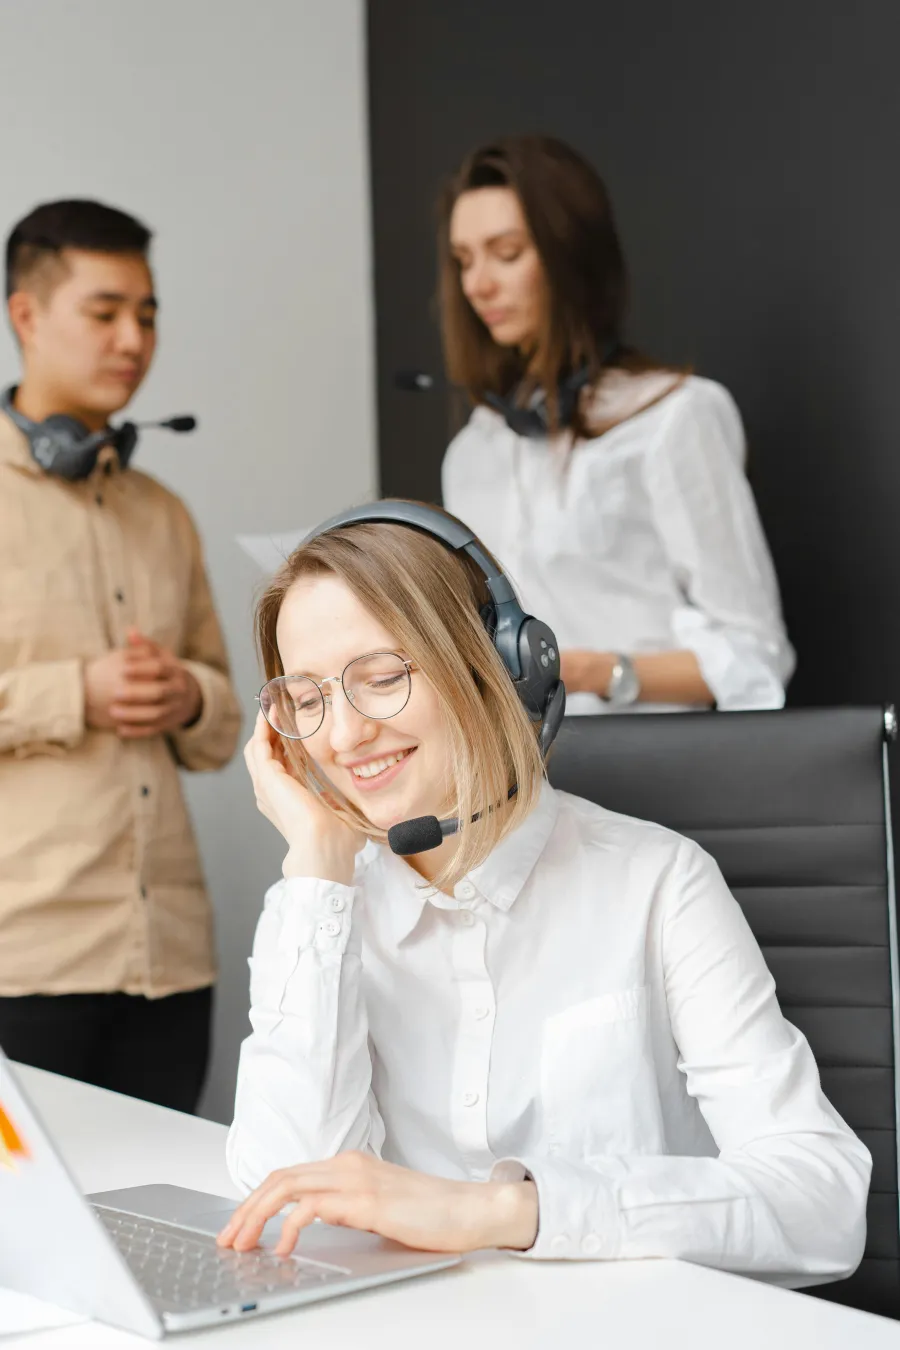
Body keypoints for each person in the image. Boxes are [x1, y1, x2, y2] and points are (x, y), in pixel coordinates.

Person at [219, 501, 868, 1285]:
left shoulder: (659, 883)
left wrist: (501, 1212)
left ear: (494, 662)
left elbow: (824, 1204)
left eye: (382, 677)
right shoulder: (317, 910)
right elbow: (284, 1205)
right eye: (310, 700)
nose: (345, 736)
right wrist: (318, 868)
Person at [0, 199, 241, 1112]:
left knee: (159, 1234)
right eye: (104, 313)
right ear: (27, 315)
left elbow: (223, 730)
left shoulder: (163, 512)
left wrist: (188, 697)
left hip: (170, 961)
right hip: (23, 961)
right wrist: (76, 693)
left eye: (146, 313)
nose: (132, 338)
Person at [439, 136, 795, 715]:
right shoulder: (473, 451)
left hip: (649, 777)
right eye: (463, 260)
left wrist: (585, 671)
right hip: (519, 786)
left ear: (569, 256)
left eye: (505, 253)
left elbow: (756, 655)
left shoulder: (674, 417)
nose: (477, 285)